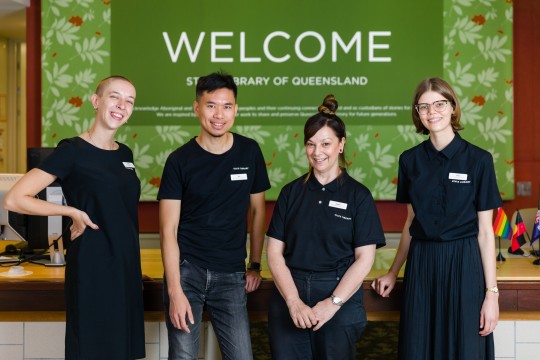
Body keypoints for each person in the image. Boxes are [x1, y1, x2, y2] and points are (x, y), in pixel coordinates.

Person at [3, 76, 145, 359]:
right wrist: (70, 211)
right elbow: (15, 198)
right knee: (93, 349)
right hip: (93, 266)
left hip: (125, 267)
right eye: (114, 97)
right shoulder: (73, 150)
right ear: (96, 101)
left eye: (129, 101)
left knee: (122, 350)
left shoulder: (125, 154)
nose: (122, 105)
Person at [371, 77, 501, 359]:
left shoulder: (479, 160)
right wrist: (393, 271)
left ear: (453, 107)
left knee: (465, 346)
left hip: (464, 263)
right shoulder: (410, 161)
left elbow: (485, 232)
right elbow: (410, 223)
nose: (432, 112)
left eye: (440, 104)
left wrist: (491, 294)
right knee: (420, 346)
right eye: (424, 107)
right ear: (417, 114)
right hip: (422, 264)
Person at [158, 71, 271, 360]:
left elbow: (258, 211)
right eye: (211, 105)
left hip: (232, 274)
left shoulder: (249, 151)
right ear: (197, 108)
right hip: (187, 272)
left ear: (236, 109)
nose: (219, 114)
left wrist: (255, 264)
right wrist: (174, 291)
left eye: (226, 106)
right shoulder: (179, 161)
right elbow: (168, 230)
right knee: (183, 356)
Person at [266, 94, 386, 359]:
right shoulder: (290, 193)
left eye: (325, 143)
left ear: (341, 145)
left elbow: (364, 259)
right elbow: (274, 253)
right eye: (310, 144)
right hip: (290, 296)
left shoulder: (359, 196)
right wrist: (293, 302)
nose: (317, 152)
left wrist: (332, 304)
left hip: (338, 298)